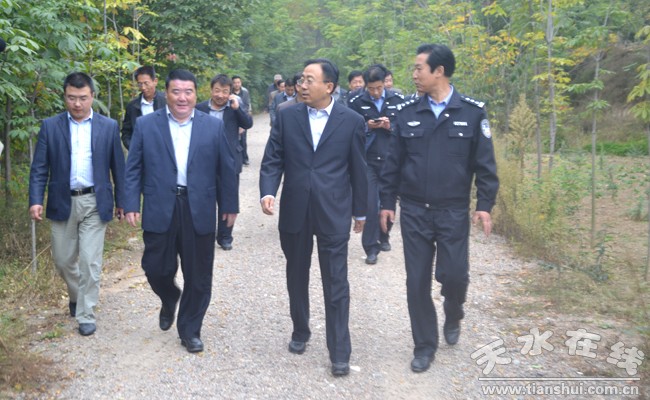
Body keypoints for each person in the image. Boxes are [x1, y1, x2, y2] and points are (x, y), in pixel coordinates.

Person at [379, 44, 499, 373]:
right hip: (415, 210)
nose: (414, 74)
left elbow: (485, 165)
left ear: (439, 71)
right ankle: (424, 345)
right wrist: (387, 202)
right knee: (416, 281)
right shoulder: (406, 112)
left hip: (452, 211)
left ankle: (454, 311)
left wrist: (484, 205)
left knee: (455, 275)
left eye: (419, 68)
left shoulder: (472, 113)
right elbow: (393, 163)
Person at [259, 58, 368, 377]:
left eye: (309, 80)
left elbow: (359, 168)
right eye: (301, 80)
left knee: (336, 281)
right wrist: (268, 191)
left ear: (329, 87)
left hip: (333, 210)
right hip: (296, 208)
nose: (302, 85)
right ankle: (300, 330)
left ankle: (340, 350)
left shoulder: (351, 121)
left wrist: (360, 210)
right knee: (296, 273)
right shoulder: (287, 115)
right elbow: (273, 157)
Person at [124, 69, 239, 354]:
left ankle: (190, 329)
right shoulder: (146, 125)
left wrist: (229, 205)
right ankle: (169, 295)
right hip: (159, 205)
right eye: (176, 92)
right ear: (166, 93)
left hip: (198, 206)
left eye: (188, 92)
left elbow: (226, 168)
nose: (182, 98)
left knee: (199, 274)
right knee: (155, 268)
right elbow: (133, 167)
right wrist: (130, 203)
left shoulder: (212, 126)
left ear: (196, 95)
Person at [29, 72, 126, 336]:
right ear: (65, 97)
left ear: (92, 96)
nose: (77, 103)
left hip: (96, 201)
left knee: (90, 262)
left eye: (83, 98)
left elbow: (118, 168)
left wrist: (123, 202)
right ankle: (76, 295)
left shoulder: (108, 126)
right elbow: (39, 168)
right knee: (63, 261)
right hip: (63, 201)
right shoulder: (51, 126)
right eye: (71, 98)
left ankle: (86, 314)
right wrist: (35, 200)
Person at [348, 64, 404, 265]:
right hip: (367, 160)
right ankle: (371, 247)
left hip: (391, 159)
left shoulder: (398, 100)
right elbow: (348, 130)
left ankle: (384, 235)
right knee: (370, 204)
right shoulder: (355, 102)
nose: (376, 92)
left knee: (388, 201)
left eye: (379, 87)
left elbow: (405, 130)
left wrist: (390, 126)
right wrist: (366, 126)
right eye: (371, 88)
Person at [196, 74, 253, 251]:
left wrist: (238, 108)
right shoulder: (199, 108)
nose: (220, 95)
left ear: (230, 93)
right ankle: (205, 235)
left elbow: (248, 124)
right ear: (211, 90)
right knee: (204, 201)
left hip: (230, 161)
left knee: (228, 199)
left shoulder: (233, 108)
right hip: (205, 162)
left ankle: (225, 236)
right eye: (217, 91)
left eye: (225, 91)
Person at [121, 66, 167, 149]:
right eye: (140, 84)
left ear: (155, 81)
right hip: (141, 152)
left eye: (146, 83)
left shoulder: (167, 102)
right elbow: (126, 132)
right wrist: (133, 148)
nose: (143, 87)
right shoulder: (132, 106)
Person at [232, 75, 252, 165]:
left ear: (241, 83)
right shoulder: (229, 92)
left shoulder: (245, 92)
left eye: (238, 82)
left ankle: (245, 158)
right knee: (234, 139)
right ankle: (236, 158)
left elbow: (247, 105)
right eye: (235, 83)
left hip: (243, 116)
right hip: (233, 118)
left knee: (243, 139)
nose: (237, 84)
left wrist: (245, 118)